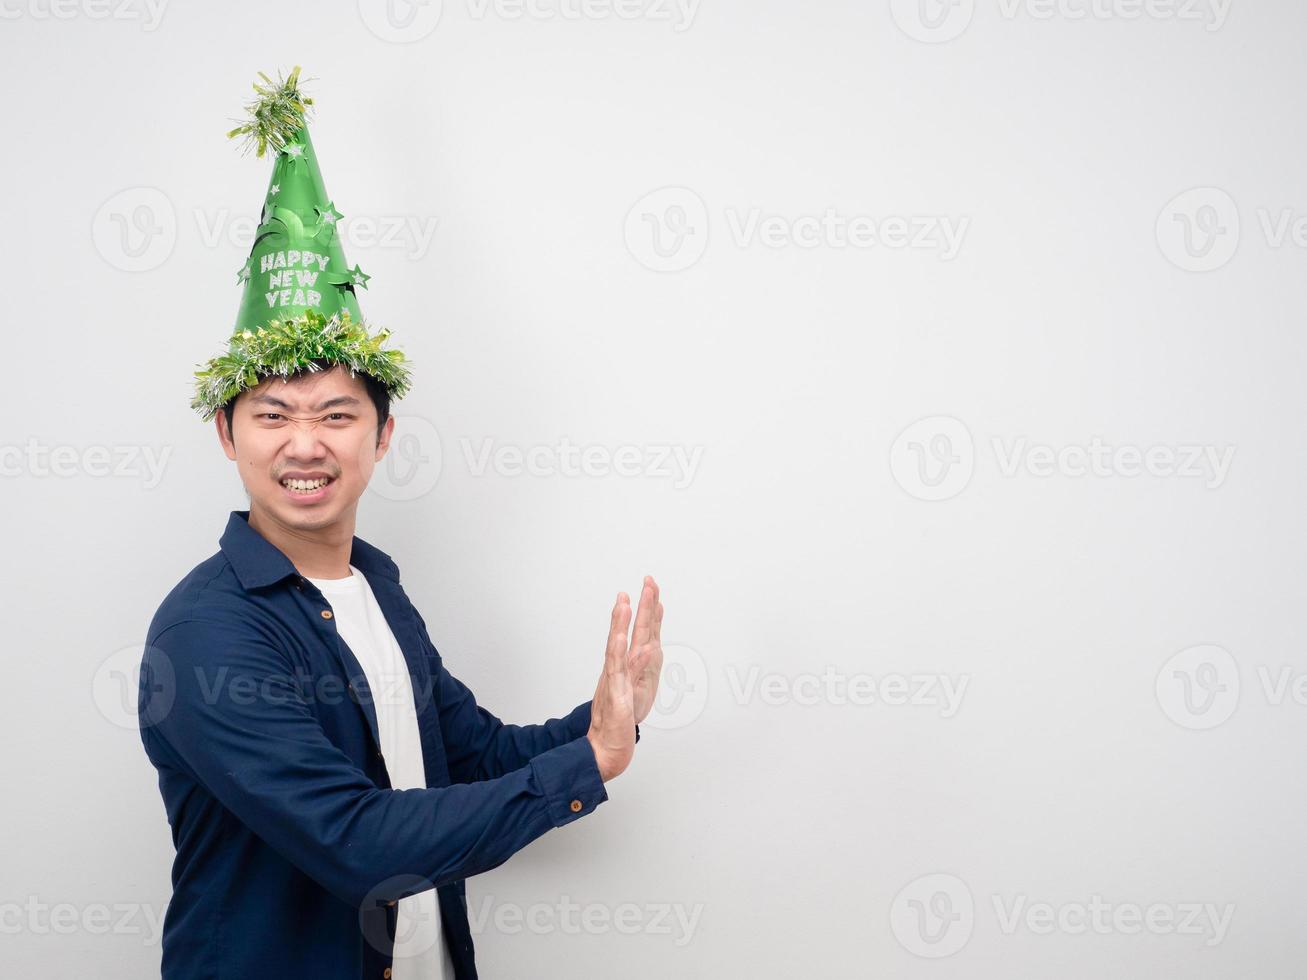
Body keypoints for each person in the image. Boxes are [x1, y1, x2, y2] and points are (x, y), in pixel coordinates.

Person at [138, 67, 664, 980]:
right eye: (272, 415)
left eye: (337, 416)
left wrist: (599, 723)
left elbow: (466, 755)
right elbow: (357, 840)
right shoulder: (208, 631)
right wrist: (591, 767)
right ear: (226, 434)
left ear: (382, 437)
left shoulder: (373, 584)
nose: (306, 445)